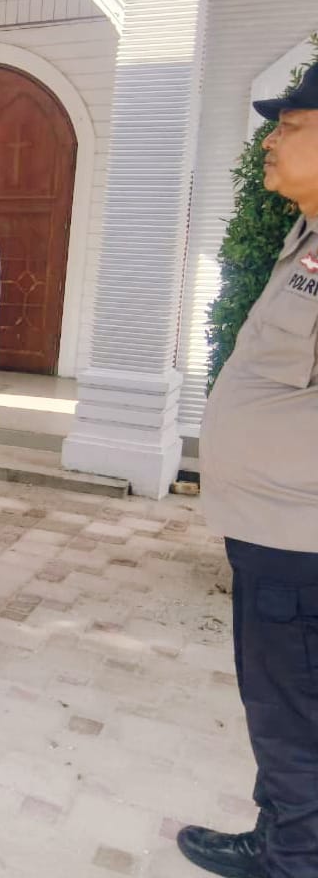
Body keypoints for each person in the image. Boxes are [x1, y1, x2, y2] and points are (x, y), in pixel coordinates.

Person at [176, 63, 318, 878]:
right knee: (281, 706)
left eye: (291, 126)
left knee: (294, 714)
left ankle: (294, 860)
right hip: (274, 531)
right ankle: (280, 837)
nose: (270, 140)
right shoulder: (306, 238)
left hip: (301, 538)